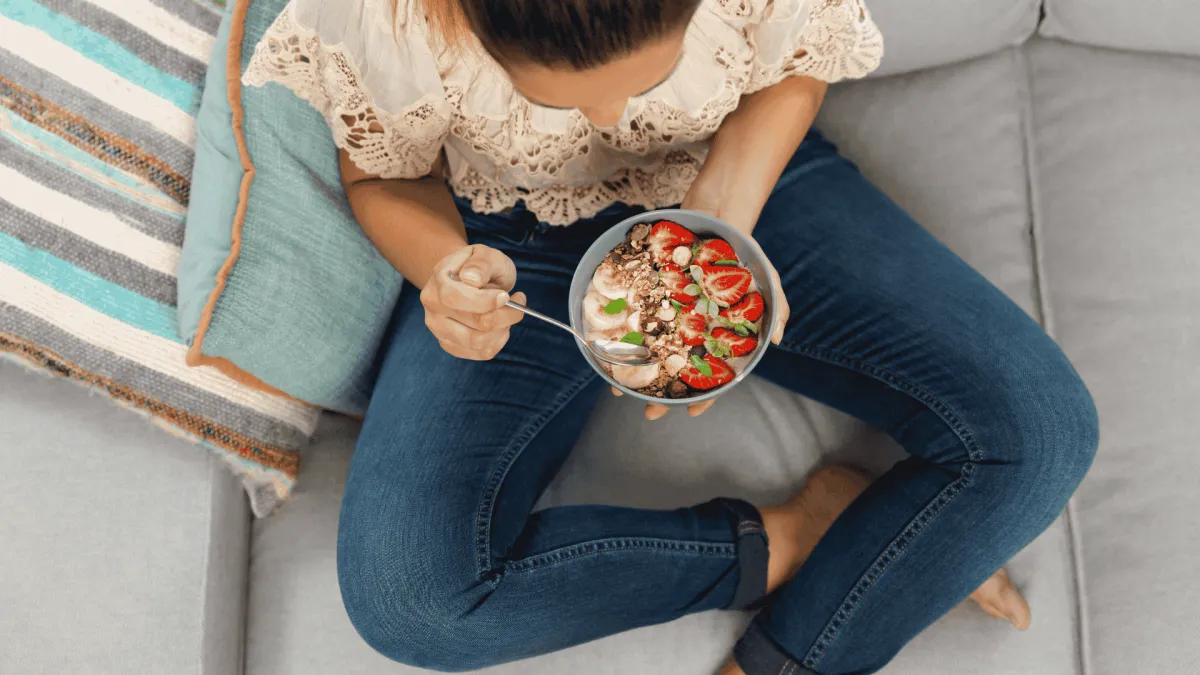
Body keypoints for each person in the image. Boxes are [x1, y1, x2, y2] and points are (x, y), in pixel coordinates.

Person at [244, 0, 1099, 672]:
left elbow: (797, 63)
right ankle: (804, 536)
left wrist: (725, 212)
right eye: (567, 95)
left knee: (1041, 429)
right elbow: (383, 173)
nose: (613, 116)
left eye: (647, 77)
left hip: (738, 174)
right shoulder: (381, 16)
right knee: (412, 603)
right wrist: (445, 272)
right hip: (513, 237)